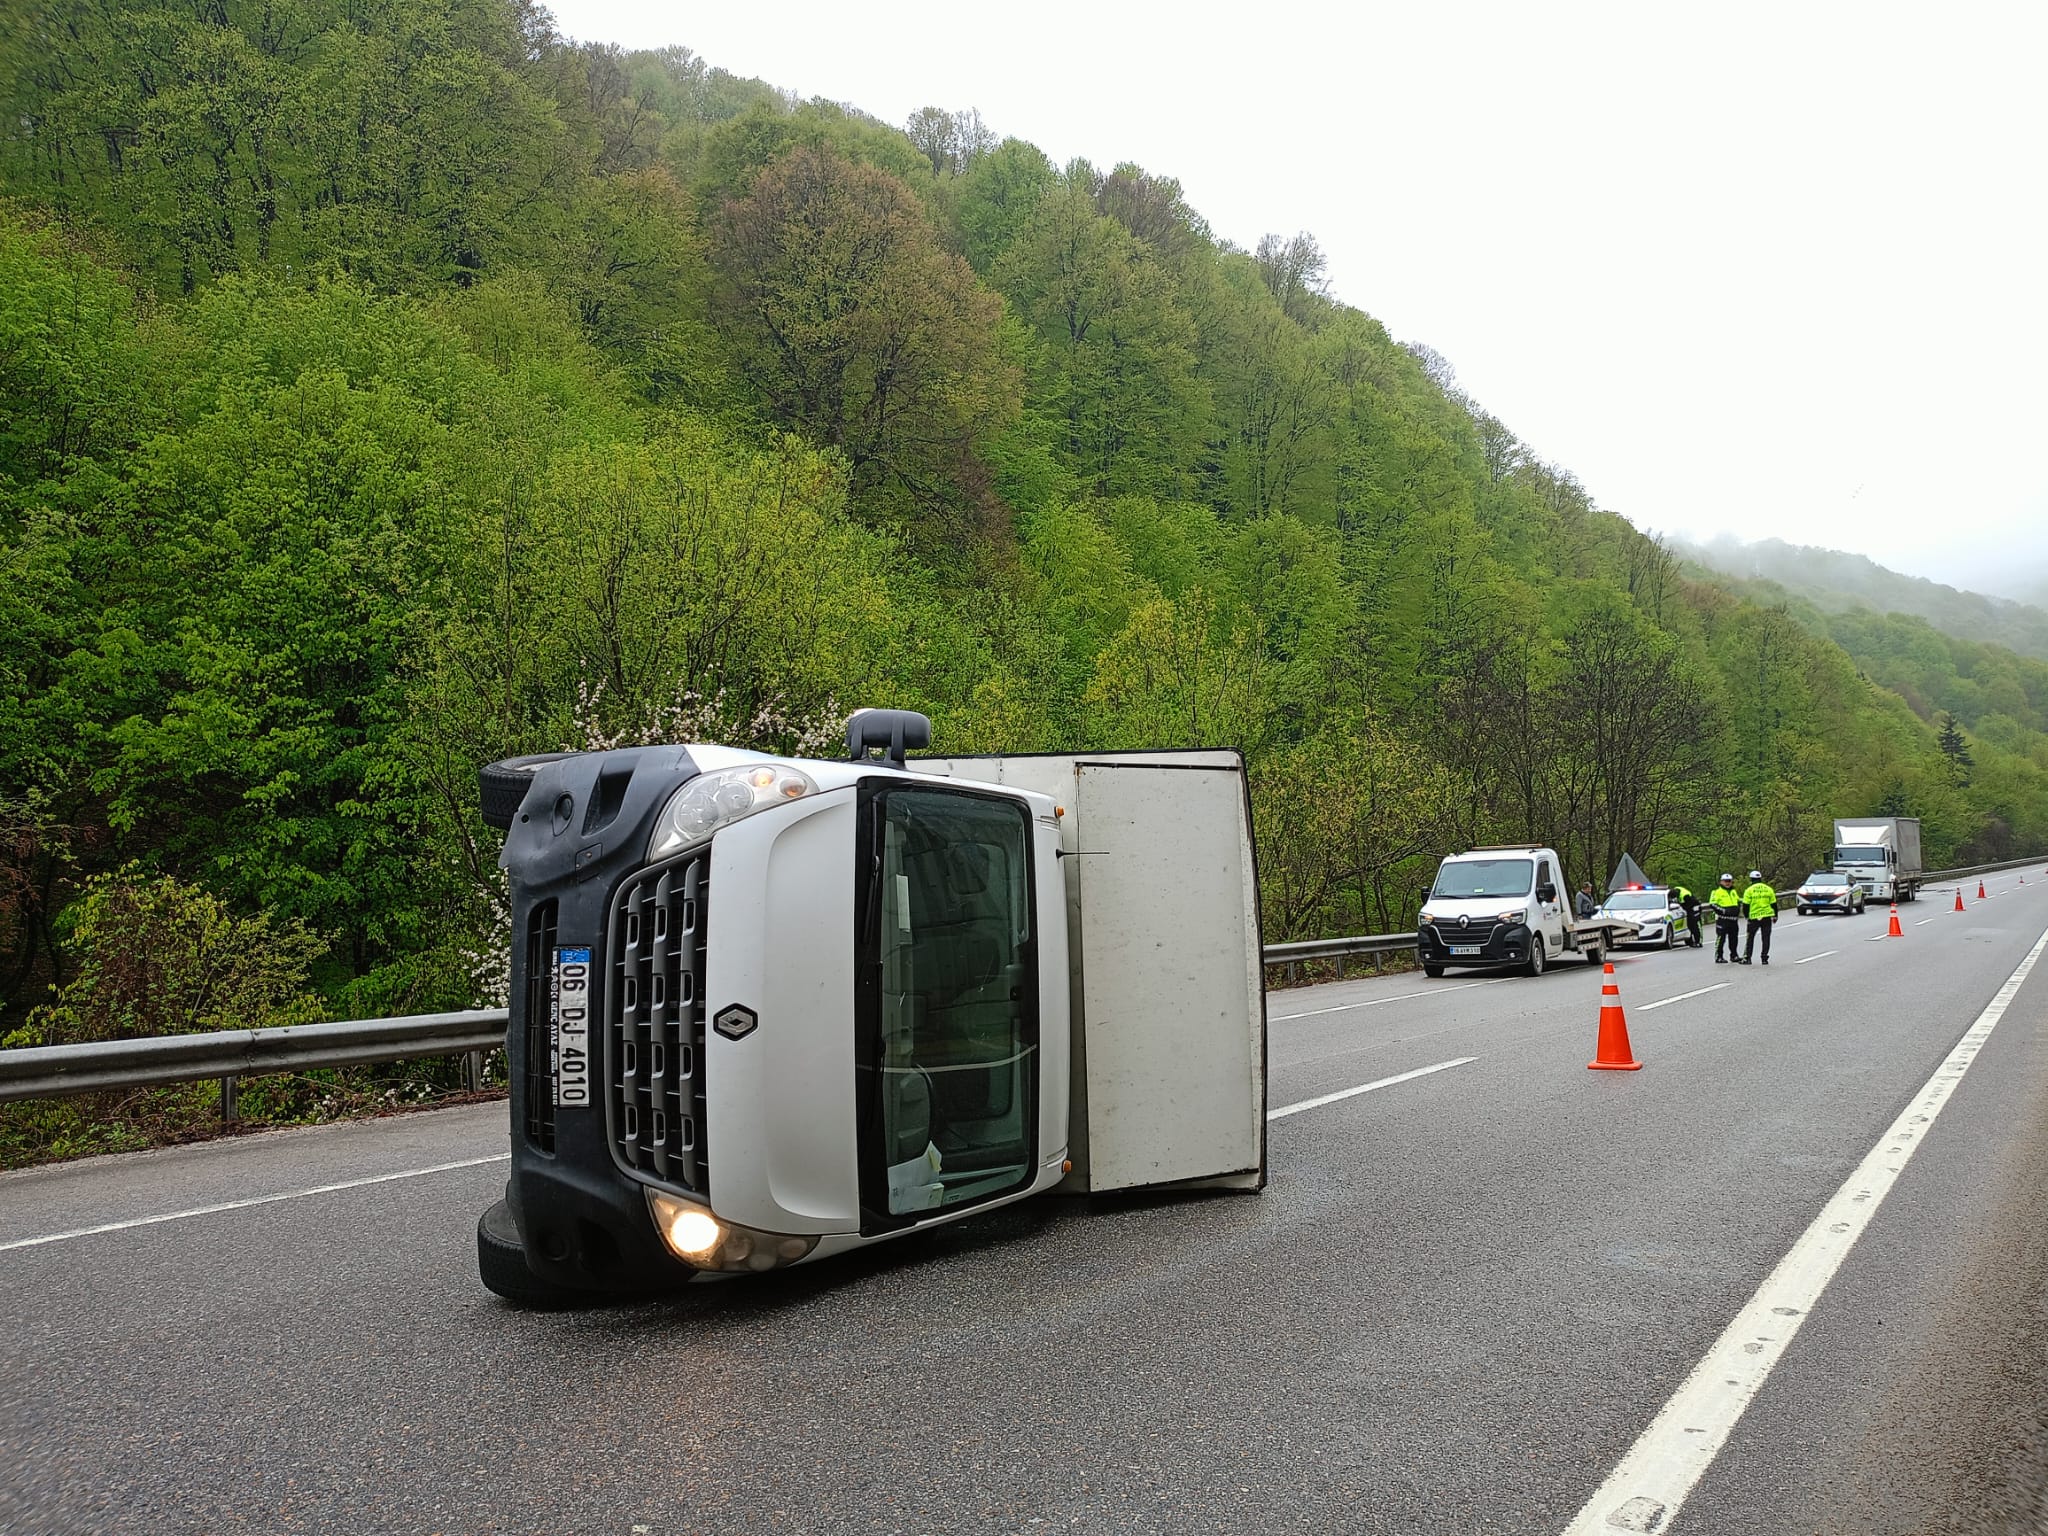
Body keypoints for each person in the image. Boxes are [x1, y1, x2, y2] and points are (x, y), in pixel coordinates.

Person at [1741, 868, 1778, 965]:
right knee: (1766, 938)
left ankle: (1748, 958)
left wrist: (1746, 916)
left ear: (1751, 879)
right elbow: (1774, 904)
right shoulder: (1768, 889)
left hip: (1754, 917)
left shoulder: (1749, 890)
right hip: (1767, 916)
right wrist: (1775, 916)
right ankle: (1764, 958)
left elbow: (1745, 905)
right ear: (1760, 878)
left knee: (1750, 938)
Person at [1708, 873, 1743, 963]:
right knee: (1721, 938)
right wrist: (1723, 911)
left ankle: (1734, 955)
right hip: (1722, 919)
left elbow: (1738, 901)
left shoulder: (1733, 892)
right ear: (1721, 882)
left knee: (1734, 938)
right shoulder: (1716, 892)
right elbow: (1712, 904)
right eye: (1725, 881)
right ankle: (1719, 956)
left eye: (1729, 881)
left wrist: (1738, 908)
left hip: (1733, 920)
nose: (1727, 883)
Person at [1672, 883, 1703, 948]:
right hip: (1690, 909)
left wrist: (1682, 906)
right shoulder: (1676, 890)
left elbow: (1689, 905)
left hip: (1695, 908)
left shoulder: (1685, 895)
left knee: (1695, 925)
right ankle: (1691, 942)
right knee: (1690, 926)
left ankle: (1698, 942)